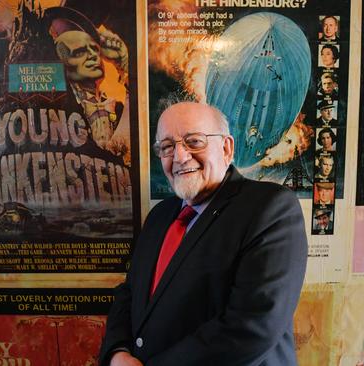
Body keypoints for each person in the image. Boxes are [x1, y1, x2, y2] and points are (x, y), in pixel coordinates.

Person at [100, 101, 308, 365]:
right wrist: (117, 352)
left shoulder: (270, 208)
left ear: (226, 148)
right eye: (166, 147)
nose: (179, 156)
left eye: (194, 141)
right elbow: (129, 293)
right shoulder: (159, 216)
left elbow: (252, 327)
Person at [48, 7, 129, 155]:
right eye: (80, 51)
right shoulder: (61, 107)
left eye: (93, 48)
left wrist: (124, 64)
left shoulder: (117, 107)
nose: (93, 56)